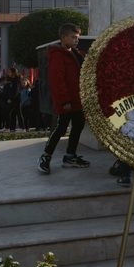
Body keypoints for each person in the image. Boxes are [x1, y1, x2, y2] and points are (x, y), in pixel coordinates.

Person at [38, 23, 90, 174]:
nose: (76, 40)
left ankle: (70, 156)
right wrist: (64, 101)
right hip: (67, 101)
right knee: (60, 128)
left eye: (77, 37)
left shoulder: (75, 53)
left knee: (78, 125)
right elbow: (57, 80)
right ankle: (46, 156)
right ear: (63, 37)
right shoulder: (57, 55)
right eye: (73, 37)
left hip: (77, 100)